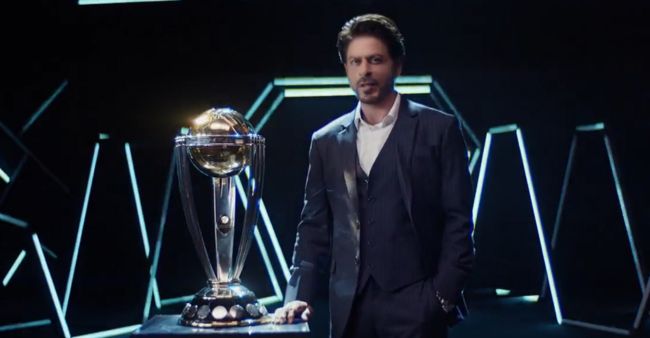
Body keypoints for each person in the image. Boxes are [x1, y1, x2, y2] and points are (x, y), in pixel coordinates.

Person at [274, 13, 474, 338]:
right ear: (346, 69)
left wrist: (441, 297)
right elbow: (313, 227)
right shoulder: (325, 141)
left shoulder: (439, 129)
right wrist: (298, 296)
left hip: (418, 302)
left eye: (375, 60)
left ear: (397, 65)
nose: (364, 70)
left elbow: (459, 221)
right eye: (355, 62)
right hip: (349, 306)